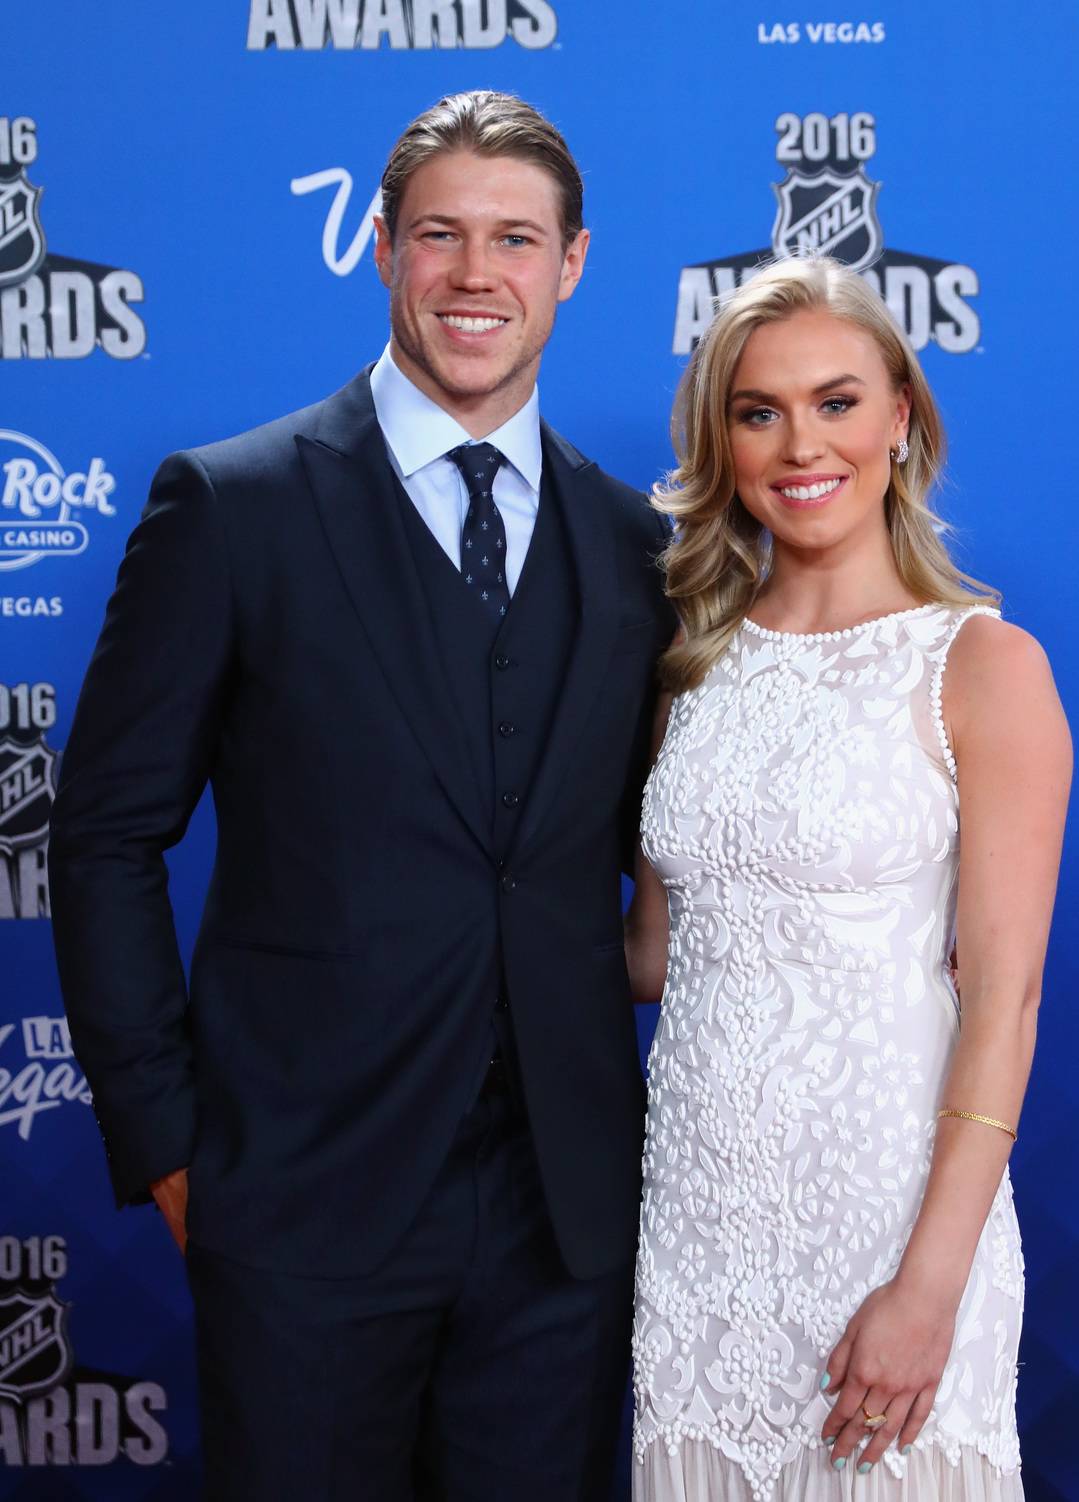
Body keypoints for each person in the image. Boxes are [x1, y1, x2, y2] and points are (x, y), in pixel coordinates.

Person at [48, 90, 675, 1502]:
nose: (476, 274)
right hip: (298, 1200)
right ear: (381, 248)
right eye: (440, 234)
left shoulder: (636, 546)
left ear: (571, 264)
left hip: (563, 1220)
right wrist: (170, 1145)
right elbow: (101, 837)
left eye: (516, 239)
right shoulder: (232, 506)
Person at [624, 255, 1071, 1500]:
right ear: (723, 441)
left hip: (892, 1227)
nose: (798, 443)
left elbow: (1006, 1001)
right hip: (701, 1241)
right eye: (758, 410)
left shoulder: (983, 664)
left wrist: (929, 1286)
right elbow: (658, 955)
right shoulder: (689, 674)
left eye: (836, 401)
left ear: (901, 421)